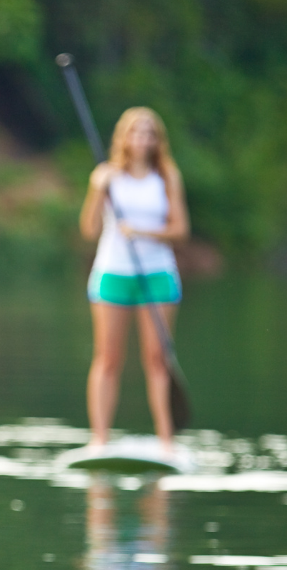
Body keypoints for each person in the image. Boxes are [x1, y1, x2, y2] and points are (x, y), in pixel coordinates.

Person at [78, 106, 189, 453]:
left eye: (149, 133)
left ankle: (166, 442)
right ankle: (99, 439)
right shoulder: (107, 176)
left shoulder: (166, 176)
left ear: (157, 140)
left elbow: (180, 230)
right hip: (113, 273)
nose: (142, 139)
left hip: (156, 275)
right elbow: (89, 229)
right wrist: (97, 190)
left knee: (158, 359)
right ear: (123, 138)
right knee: (107, 358)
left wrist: (142, 231)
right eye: (135, 132)